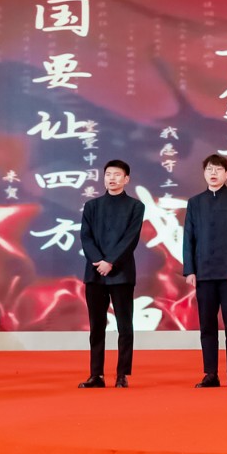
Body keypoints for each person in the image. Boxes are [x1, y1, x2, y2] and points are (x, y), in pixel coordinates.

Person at [183, 154, 227, 388]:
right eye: (209, 169)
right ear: (204, 173)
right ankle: (210, 373)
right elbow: (188, 239)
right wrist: (190, 270)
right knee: (207, 326)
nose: (213, 173)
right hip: (203, 273)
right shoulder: (195, 202)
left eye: (218, 169)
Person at [79, 159, 145, 389]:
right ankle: (96, 374)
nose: (112, 178)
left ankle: (122, 374)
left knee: (124, 326)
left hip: (121, 273)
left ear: (126, 179)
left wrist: (110, 262)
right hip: (95, 272)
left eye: (117, 175)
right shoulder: (92, 206)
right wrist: (99, 261)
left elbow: (130, 239)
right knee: (96, 326)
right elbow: (85, 237)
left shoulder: (135, 206)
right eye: (108, 174)